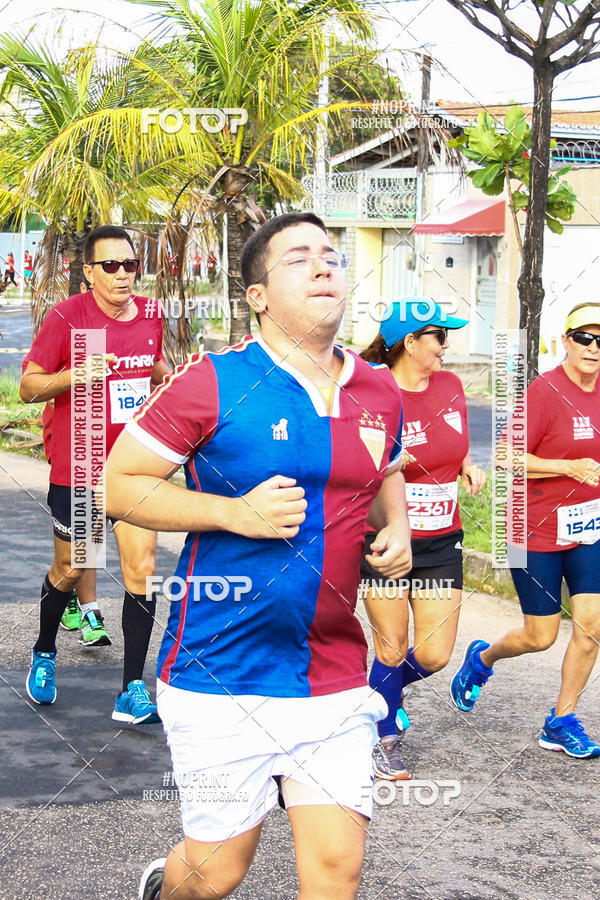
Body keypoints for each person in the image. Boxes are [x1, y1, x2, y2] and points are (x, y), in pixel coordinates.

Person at [105, 212, 412, 900]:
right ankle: (167, 884)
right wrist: (232, 512)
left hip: (330, 671)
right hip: (219, 674)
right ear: (258, 296)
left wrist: (398, 529)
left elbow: (386, 467)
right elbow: (120, 488)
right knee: (215, 875)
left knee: (338, 869)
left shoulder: (378, 390)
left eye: (331, 255)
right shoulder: (211, 382)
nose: (326, 265)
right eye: (300, 258)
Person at [20, 225, 170, 722]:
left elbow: (152, 365)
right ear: (88, 273)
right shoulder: (68, 317)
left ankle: (131, 688)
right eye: (110, 266)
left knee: (142, 572)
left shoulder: (151, 313)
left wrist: (168, 380)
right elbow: (28, 387)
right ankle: (44, 651)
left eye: (131, 265)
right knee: (72, 569)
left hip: (134, 465)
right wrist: (76, 375)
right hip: (81, 463)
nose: (123, 274)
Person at [451, 302, 600, 759]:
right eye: (586, 338)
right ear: (566, 343)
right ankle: (483, 658)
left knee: (592, 626)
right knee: (541, 635)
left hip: (588, 528)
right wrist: (567, 467)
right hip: (529, 528)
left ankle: (561, 720)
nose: (595, 348)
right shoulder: (544, 391)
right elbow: (506, 456)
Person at [359, 298, 486, 780]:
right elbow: (350, 463)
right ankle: (383, 735)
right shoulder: (371, 390)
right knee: (391, 648)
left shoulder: (451, 385)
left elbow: (456, 447)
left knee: (433, 653)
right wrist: (389, 462)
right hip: (386, 539)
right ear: (409, 343)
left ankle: (378, 695)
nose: (446, 346)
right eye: (439, 336)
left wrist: (468, 466)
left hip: (440, 540)